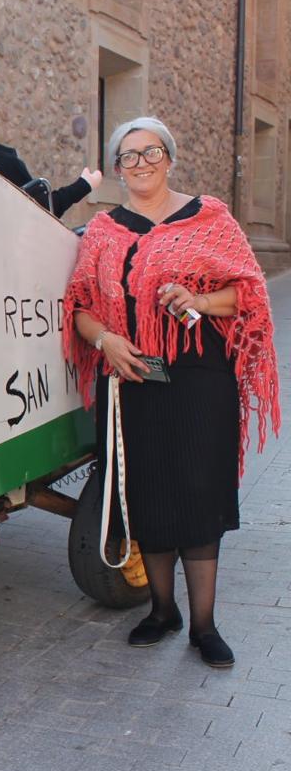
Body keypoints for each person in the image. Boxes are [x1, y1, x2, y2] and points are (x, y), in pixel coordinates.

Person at [62, 116, 280, 668]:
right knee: (149, 494)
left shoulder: (211, 218)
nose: (140, 163)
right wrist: (106, 339)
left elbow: (248, 294)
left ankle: (204, 625)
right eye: (127, 156)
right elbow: (80, 305)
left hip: (201, 379)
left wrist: (201, 301)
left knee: (200, 495)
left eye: (150, 151)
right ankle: (162, 611)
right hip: (134, 378)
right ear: (116, 170)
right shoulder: (106, 232)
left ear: (169, 157)